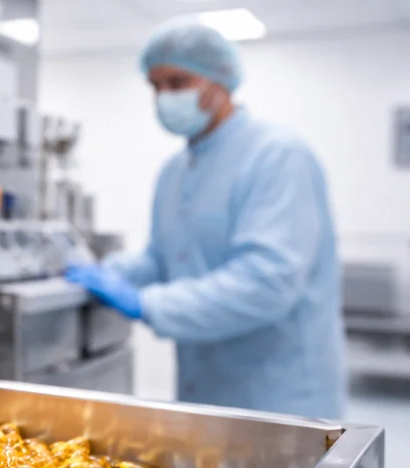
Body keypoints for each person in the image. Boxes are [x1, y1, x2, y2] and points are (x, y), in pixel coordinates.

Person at [67, 20, 345, 419]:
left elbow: (267, 283)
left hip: (279, 393)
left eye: (178, 82)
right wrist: (111, 273)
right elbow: (165, 260)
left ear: (220, 82)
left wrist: (145, 303)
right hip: (206, 388)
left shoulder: (277, 156)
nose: (164, 96)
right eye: (155, 86)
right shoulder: (176, 170)